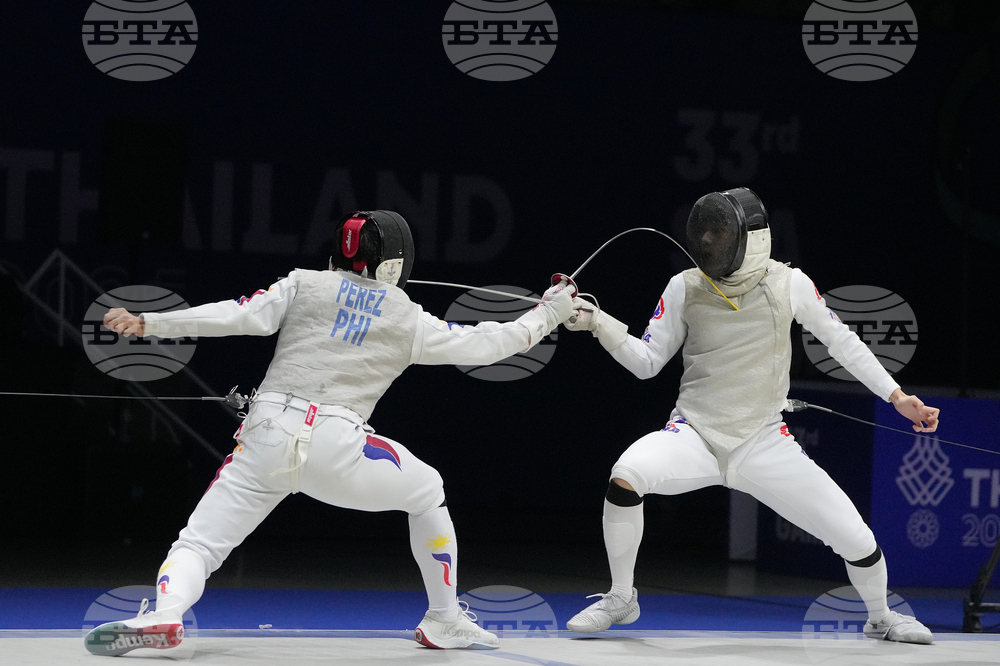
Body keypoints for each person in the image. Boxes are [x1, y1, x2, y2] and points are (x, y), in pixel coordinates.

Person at [84, 210, 574, 655]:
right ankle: (444, 619)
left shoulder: (303, 284)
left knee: (198, 544)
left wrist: (149, 321)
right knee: (428, 490)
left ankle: (167, 614)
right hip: (340, 448)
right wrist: (550, 311)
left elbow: (234, 314)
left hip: (265, 436)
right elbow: (491, 344)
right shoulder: (408, 317)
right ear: (392, 265)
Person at [563, 188, 939, 644]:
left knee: (856, 538)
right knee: (627, 474)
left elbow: (841, 342)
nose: (707, 240)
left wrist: (895, 395)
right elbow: (646, 362)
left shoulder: (789, 283)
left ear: (751, 239)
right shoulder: (685, 286)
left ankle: (880, 617)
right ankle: (622, 597)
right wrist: (597, 322)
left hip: (765, 442)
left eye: (718, 232)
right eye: (705, 231)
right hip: (694, 435)